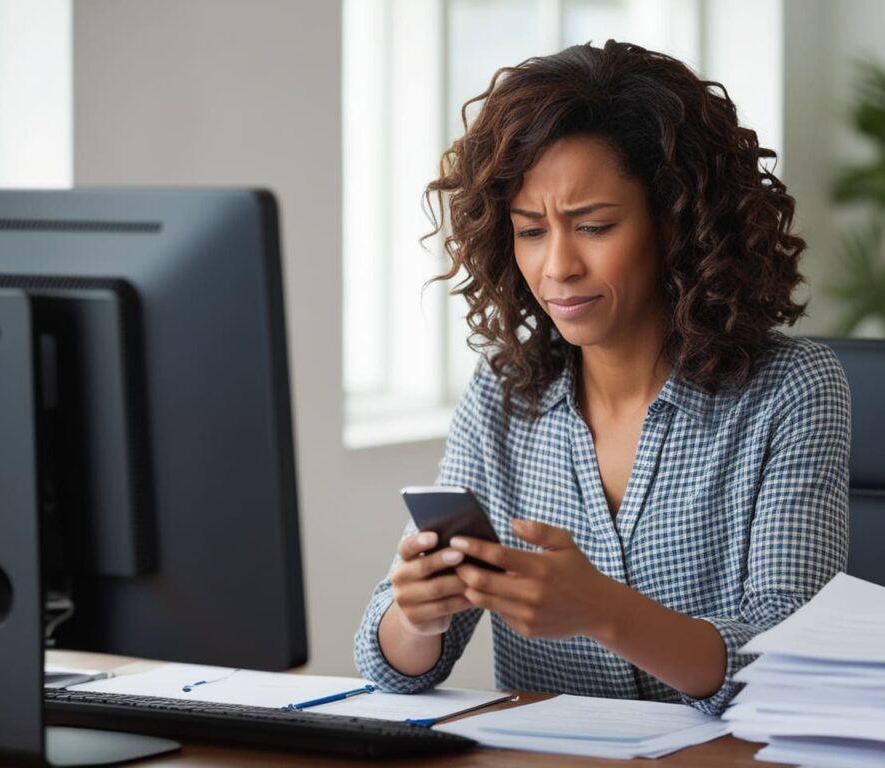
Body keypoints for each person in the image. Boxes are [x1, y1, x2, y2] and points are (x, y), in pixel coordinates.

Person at [354, 40, 849, 715]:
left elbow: (793, 661)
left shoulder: (791, 390)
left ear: (678, 223)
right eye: (531, 231)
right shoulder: (504, 395)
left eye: (592, 226)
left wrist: (604, 612)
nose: (557, 266)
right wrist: (417, 614)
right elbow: (398, 669)